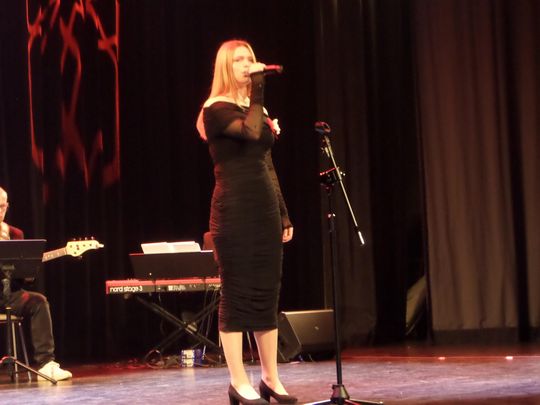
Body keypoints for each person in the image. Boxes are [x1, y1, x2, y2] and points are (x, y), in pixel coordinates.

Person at [196, 40, 297, 405]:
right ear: (226, 66)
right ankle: (239, 382)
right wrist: (258, 87)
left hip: (264, 208)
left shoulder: (257, 108)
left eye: (250, 59)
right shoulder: (215, 108)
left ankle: (271, 378)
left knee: (267, 293)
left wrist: (282, 212)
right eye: (238, 60)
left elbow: (267, 163)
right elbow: (252, 132)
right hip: (234, 210)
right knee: (237, 294)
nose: (246, 64)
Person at [0, 186, 72, 381]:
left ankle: (46, 364)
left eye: (2, 207)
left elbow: (22, 276)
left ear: (7, 206)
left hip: (10, 294)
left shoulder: (15, 234)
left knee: (39, 301)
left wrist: (29, 273)